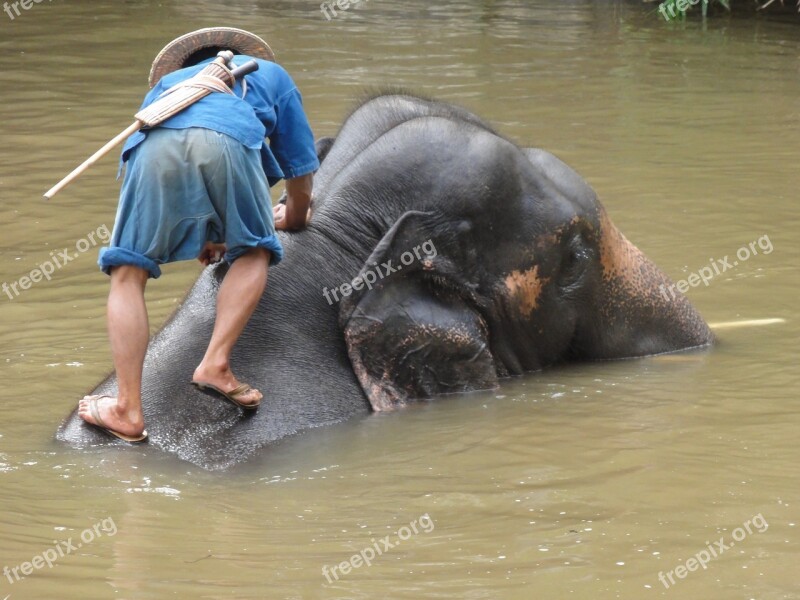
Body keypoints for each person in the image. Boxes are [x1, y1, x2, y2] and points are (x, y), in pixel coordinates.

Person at [78, 28, 319, 442]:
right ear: (243, 54)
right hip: (228, 137)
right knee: (255, 252)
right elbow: (299, 168)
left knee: (127, 272)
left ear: (182, 65)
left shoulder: (168, 89)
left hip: (151, 142)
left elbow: (185, 149)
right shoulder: (271, 75)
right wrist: (294, 216)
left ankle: (127, 411)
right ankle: (216, 363)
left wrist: (215, 234)